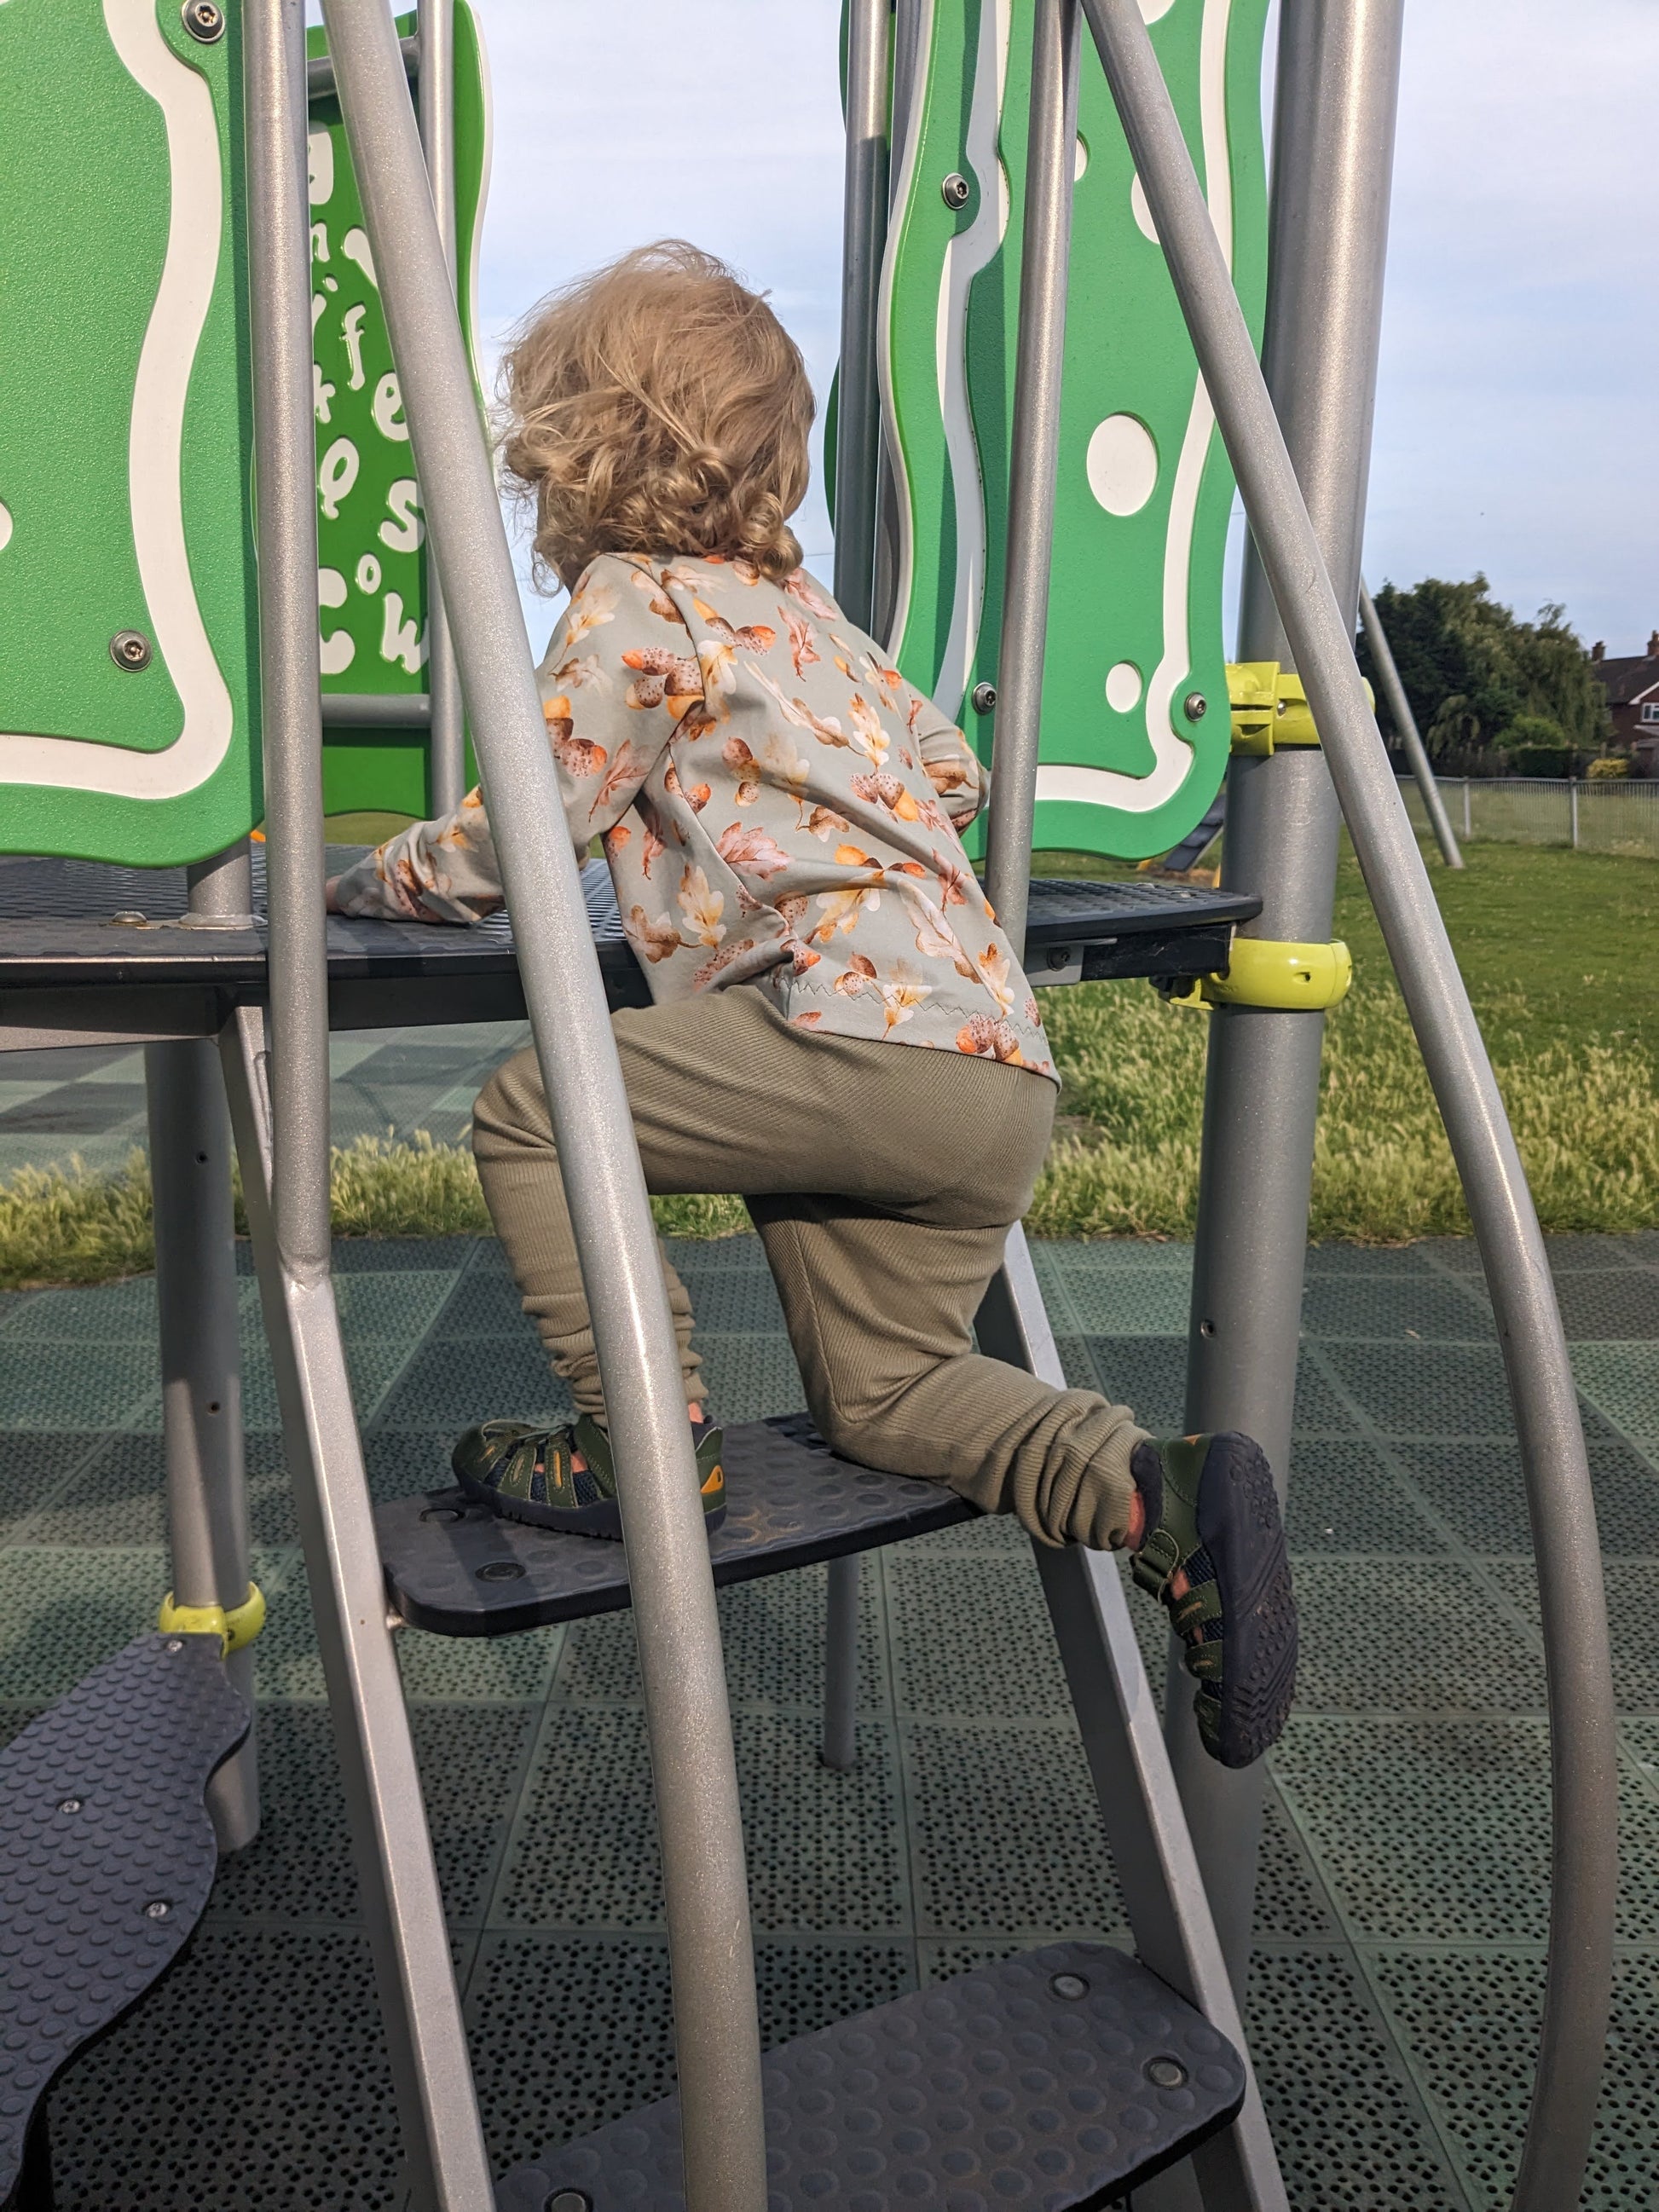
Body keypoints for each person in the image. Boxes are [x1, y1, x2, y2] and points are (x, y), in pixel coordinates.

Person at [328, 241, 1295, 1769]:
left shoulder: (634, 603)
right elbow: (954, 773)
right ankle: (1149, 1491)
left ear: (573, 451)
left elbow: (531, 816)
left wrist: (369, 880)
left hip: (842, 1037)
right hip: (990, 1074)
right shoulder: (815, 624)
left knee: (534, 1107)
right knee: (889, 1391)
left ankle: (641, 1446)